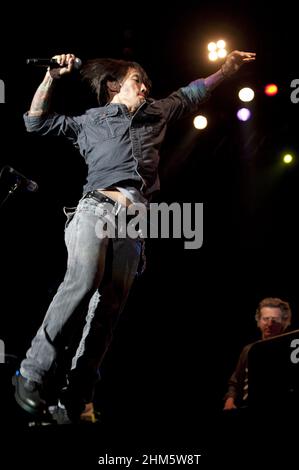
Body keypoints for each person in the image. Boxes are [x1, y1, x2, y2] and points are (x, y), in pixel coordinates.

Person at [12, 50, 256, 423]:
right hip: (95, 209)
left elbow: (193, 92)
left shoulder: (156, 112)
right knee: (82, 281)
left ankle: (77, 395)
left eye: (146, 83)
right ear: (115, 86)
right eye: (137, 81)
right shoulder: (90, 120)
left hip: (133, 222)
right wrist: (52, 77)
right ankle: (31, 372)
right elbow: (35, 123)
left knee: (108, 309)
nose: (145, 87)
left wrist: (225, 70)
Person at [223, 297, 292, 410]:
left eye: (274, 320)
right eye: (265, 319)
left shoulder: (292, 349)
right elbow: (234, 383)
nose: (269, 324)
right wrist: (230, 400)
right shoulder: (248, 349)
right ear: (258, 321)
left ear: (283, 322)